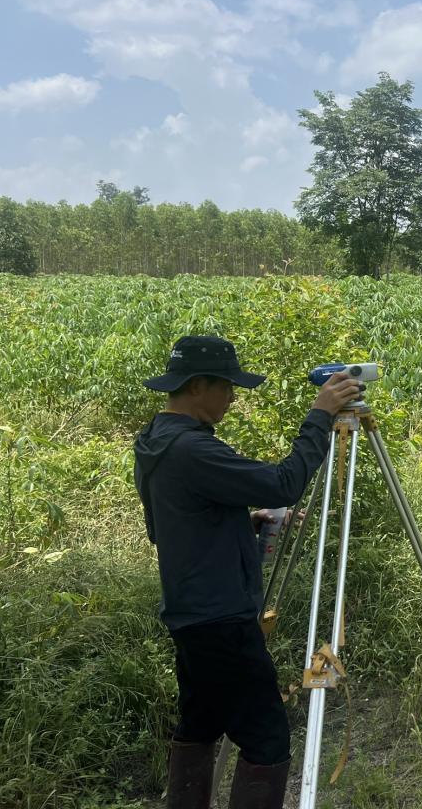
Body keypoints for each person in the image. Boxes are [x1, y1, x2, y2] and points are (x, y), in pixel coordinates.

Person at [134, 335, 362, 809]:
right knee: (266, 737)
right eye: (228, 387)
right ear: (199, 386)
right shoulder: (192, 449)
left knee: (200, 722)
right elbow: (284, 481)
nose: (233, 397)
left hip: (190, 613)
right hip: (221, 619)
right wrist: (320, 416)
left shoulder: (155, 441)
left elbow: (170, 524)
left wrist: (242, 520)